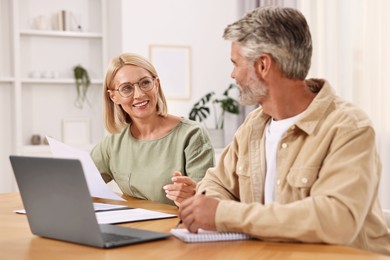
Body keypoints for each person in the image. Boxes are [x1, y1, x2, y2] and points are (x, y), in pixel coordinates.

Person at [178, 6, 390, 255]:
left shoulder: (348, 128)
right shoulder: (254, 126)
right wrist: (210, 208)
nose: (233, 74)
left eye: (236, 63)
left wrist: (224, 214)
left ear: (263, 65)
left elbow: (336, 221)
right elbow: (215, 182)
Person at [90, 53, 214, 206]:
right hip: (132, 226)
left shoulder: (192, 135)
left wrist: (192, 194)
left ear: (156, 84)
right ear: (113, 97)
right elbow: (80, 182)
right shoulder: (113, 142)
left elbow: (206, 199)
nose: (139, 94)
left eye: (145, 83)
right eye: (126, 88)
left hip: (175, 226)